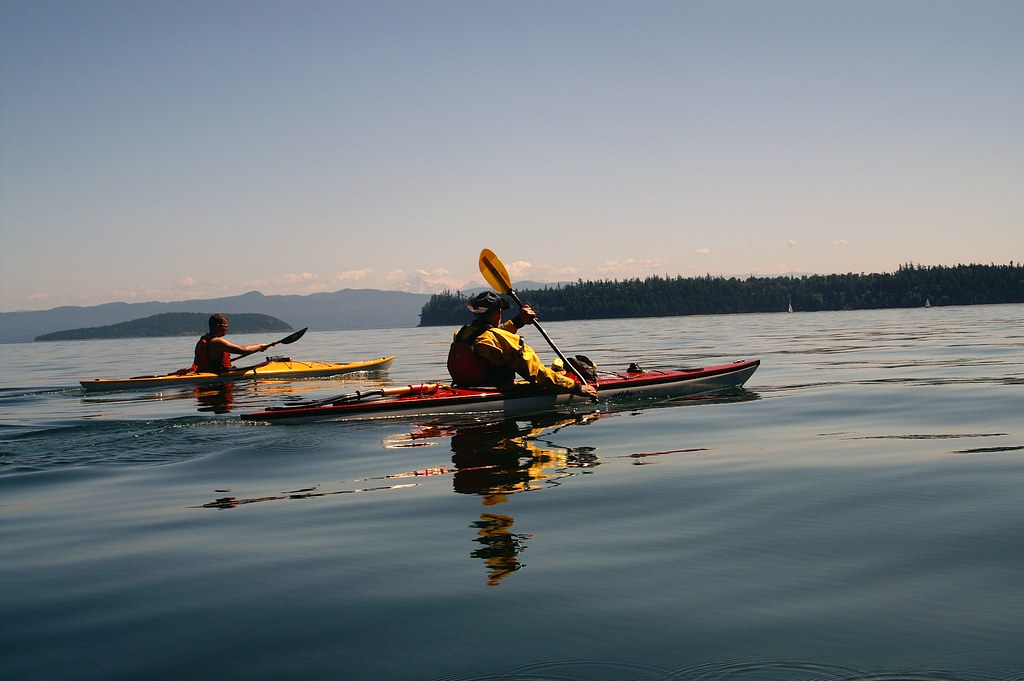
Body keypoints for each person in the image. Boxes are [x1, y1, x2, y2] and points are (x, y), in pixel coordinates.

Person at [447, 291, 599, 399]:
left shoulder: (461, 333)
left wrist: (519, 320)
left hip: (465, 387)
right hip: (496, 391)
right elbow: (537, 374)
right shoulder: (502, 339)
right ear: (498, 313)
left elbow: (491, 335)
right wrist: (578, 388)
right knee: (556, 374)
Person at [190, 314, 273, 373]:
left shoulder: (203, 340)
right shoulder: (217, 342)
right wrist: (260, 346)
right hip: (219, 378)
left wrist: (258, 346)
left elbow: (240, 348)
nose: (227, 329)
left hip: (207, 373)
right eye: (225, 326)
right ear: (218, 326)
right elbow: (243, 350)